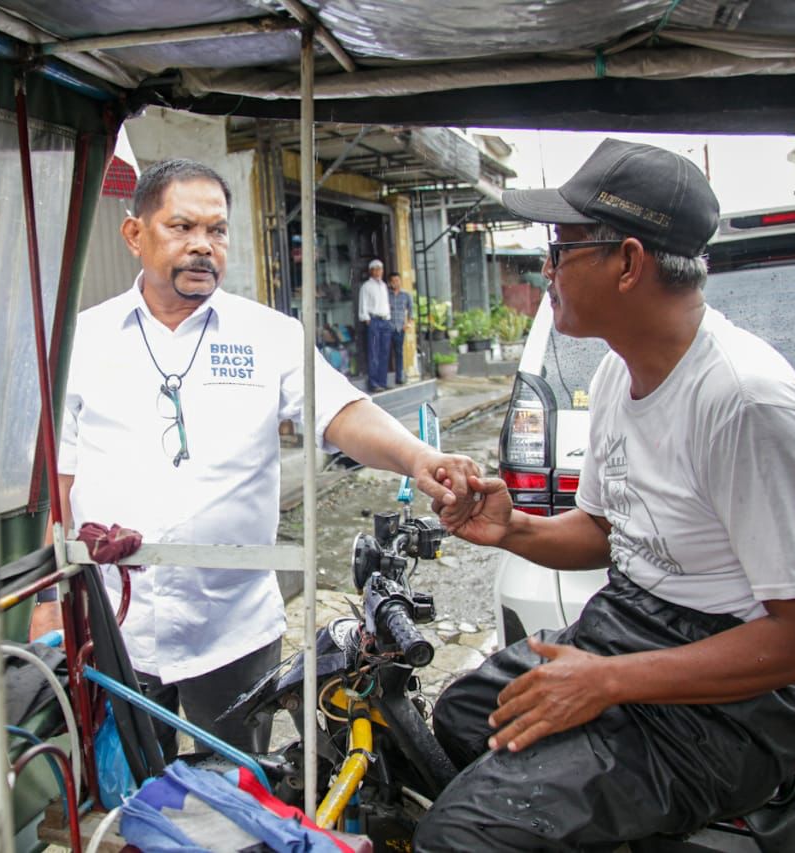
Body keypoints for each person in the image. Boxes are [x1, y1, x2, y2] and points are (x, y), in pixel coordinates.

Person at [413, 139, 795, 851]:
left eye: (561, 249)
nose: (546, 270)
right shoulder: (624, 374)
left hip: (731, 708)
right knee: (464, 716)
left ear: (627, 261)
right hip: (631, 625)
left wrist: (608, 681)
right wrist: (515, 529)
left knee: (459, 835)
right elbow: (605, 528)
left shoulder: (746, 401)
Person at [30, 159, 480, 759]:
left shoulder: (267, 335)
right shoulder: (81, 340)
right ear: (135, 235)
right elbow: (58, 478)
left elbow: (340, 412)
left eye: (216, 231)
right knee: (126, 794)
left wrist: (418, 456)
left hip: (233, 628)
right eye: (181, 227)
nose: (202, 247)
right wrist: (44, 602)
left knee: (243, 788)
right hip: (115, 626)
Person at [357, 258, 391, 392]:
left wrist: (388, 318)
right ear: (371, 271)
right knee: (374, 352)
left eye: (380, 269)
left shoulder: (383, 285)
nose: (378, 272)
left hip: (385, 321)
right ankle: (374, 383)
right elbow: (363, 304)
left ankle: (382, 382)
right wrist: (366, 318)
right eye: (375, 269)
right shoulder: (366, 286)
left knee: (384, 352)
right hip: (374, 321)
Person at [386, 272, 413, 386]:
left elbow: (411, 311)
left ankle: (399, 377)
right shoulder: (386, 295)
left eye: (397, 280)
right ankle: (384, 380)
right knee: (386, 353)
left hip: (399, 328)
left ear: (400, 281)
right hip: (388, 328)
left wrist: (408, 323)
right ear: (390, 282)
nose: (395, 283)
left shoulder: (406, 295)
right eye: (393, 281)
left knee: (399, 353)